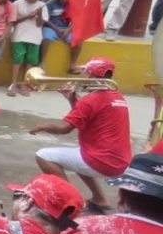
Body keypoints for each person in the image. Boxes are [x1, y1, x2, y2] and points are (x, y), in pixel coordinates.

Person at [29, 57, 131, 213]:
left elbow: (64, 129)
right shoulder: (117, 96)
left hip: (102, 161)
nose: (81, 75)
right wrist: (72, 99)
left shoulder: (90, 100)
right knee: (75, 155)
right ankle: (100, 199)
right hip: (120, 161)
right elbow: (87, 117)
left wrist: (41, 125)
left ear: (90, 75)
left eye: (83, 72)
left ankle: (70, 201)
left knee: (43, 155)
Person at [7, 0, 45, 97]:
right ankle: (12, 84)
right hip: (19, 35)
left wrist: (39, 15)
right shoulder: (17, 3)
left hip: (34, 36)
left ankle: (25, 85)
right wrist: (28, 16)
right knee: (17, 60)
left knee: (30, 61)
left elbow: (40, 24)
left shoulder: (42, 5)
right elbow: (13, 21)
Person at [39, 0, 80, 70]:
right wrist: (56, 29)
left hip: (66, 29)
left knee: (78, 41)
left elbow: (77, 20)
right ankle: (42, 62)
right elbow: (46, 19)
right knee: (46, 39)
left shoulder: (72, 5)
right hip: (51, 28)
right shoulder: (51, 4)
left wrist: (68, 30)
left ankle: (72, 64)